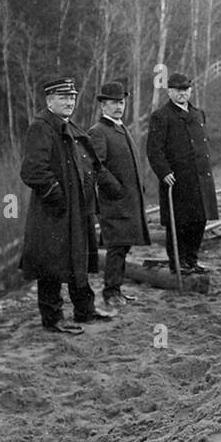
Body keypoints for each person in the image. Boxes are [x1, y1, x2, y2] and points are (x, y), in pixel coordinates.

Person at [20, 76, 120, 334]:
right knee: (51, 266)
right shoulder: (42, 127)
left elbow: (91, 164)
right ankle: (53, 319)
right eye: (63, 97)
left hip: (79, 210)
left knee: (80, 260)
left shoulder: (70, 127)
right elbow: (33, 171)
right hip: (54, 213)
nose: (69, 102)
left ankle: (85, 310)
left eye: (72, 97)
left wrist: (106, 188)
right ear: (49, 100)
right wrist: (58, 197)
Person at [146, 72, 218, 274]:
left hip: (201, 179)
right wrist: (164, 171)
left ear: (190, 91)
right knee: (178, 223)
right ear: (169, 92)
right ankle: (178, 263)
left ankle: (192, 260)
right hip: (177, 180)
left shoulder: (198, 114)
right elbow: (154, 149)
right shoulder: (161, 116)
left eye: (185, 90)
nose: (182, 94)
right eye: (178, 90)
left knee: (199, 220)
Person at [88, 79, 149, 309]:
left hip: (129, 201)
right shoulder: (98, 131)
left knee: (123, 247)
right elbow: (97, 166)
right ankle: (110, 292)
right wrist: (116, 189)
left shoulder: (121, 128)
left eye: (121, 102)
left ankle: (117, 290)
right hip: (114, 202)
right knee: (116, 247)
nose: (118, 107)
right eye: (113, 103)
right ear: (103, 106)